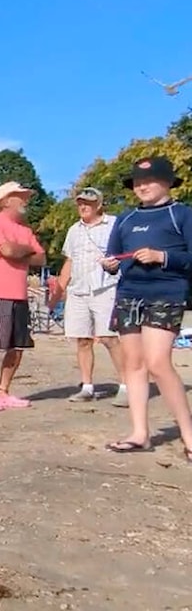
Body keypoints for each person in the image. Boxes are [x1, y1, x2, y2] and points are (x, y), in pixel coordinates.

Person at [98, 156, 192, 459]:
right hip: (128, 294)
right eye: (138, 182)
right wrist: (109, 264)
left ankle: (189, 436)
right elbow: (114, 257)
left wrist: (162, 257)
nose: (143, 186)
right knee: (133, 364)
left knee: (158, 363)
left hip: (166, 293)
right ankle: (140, 434)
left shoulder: (183, 215)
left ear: (167, 182)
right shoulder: (125, 219)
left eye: (149, 181)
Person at [49, 187, 128, 405]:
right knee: (82, 339)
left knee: (110, 338)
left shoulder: (114, 224)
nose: (83, 206)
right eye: (80, 203)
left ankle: (126, 385)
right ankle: (87, 386)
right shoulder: (74, 230)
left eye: (88, 203)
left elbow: (124, 254)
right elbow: (69, 261)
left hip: (105, 288)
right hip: (78, 290)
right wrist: (57, 293)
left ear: (99, 205)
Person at [0, 181, 46, 412]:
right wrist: (24, 250)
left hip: (20, 296)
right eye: (21, 196)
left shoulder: (25, 230)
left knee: (17, 346)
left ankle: (3, 391)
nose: (25, 200)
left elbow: (41, 258)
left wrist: (18, 251)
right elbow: (6, 251)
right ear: (6, 201)